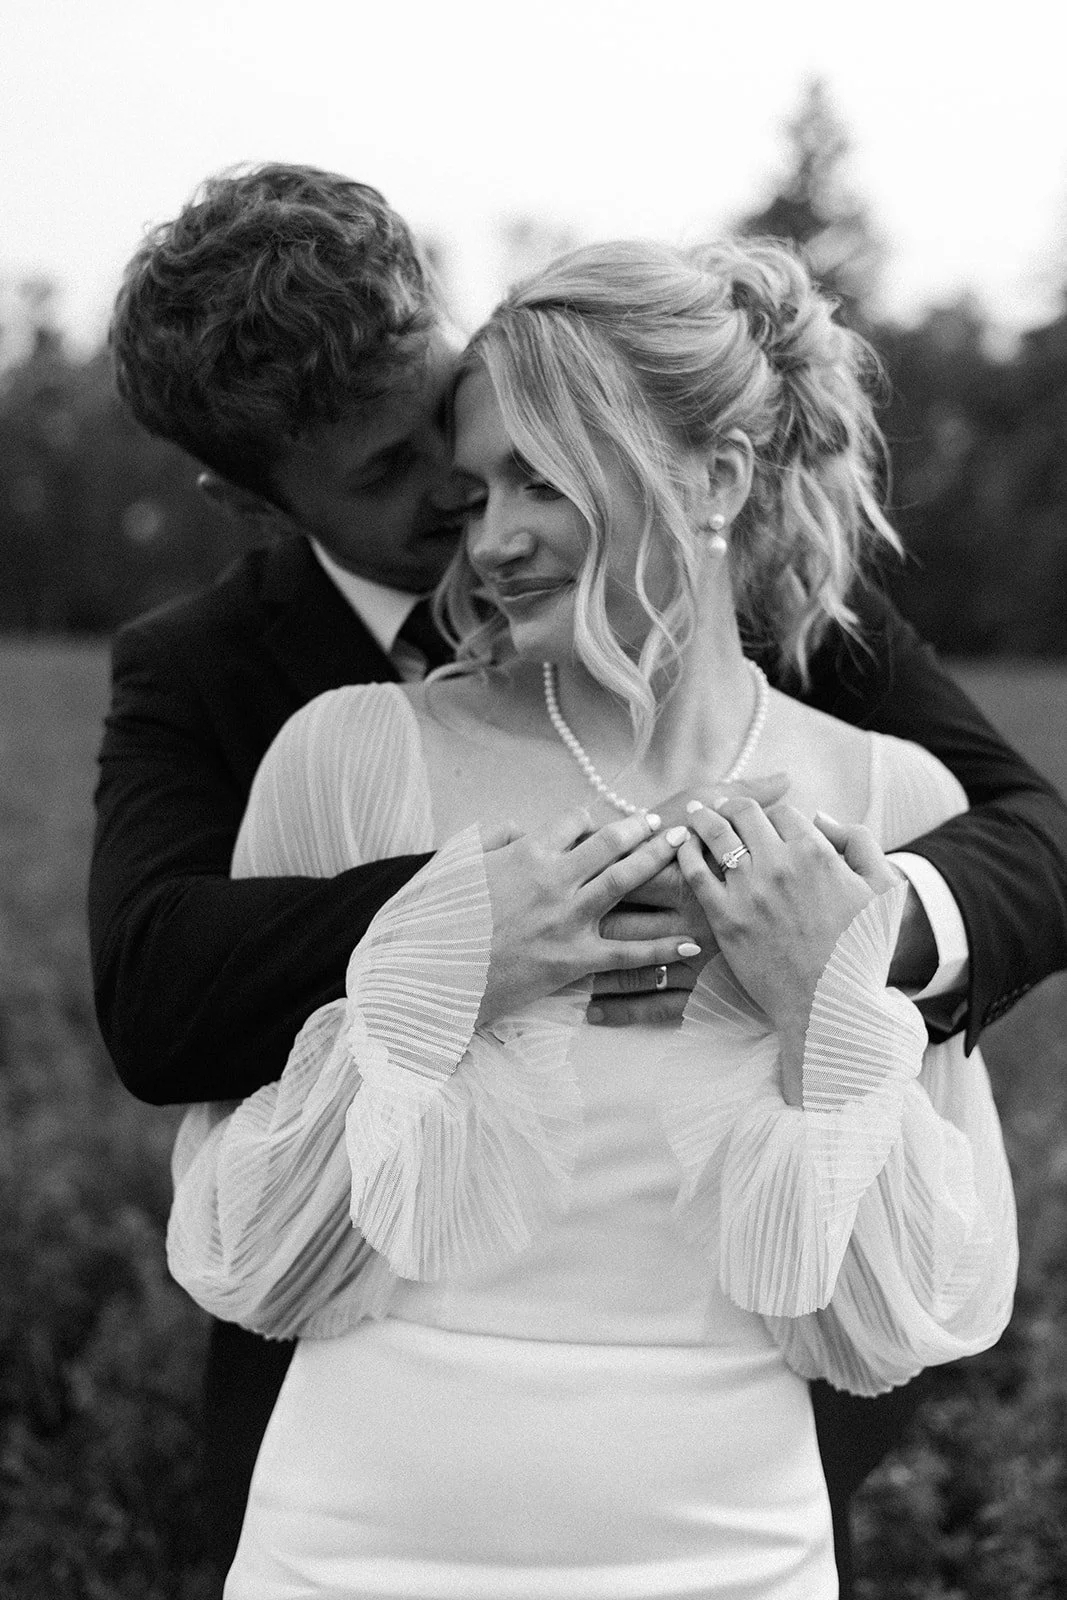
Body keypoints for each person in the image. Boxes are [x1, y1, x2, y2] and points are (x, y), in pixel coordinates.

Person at [89, 166, 1067, 1595]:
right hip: (365, 1461)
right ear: (254, 501)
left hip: (723, 1493)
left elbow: (1026, 836)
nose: (466, 518)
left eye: (489, 446)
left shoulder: (788, 633)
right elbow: (158, 992)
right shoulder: (249, 696)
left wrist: (855, 948)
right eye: (408, 475)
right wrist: (469, 924)